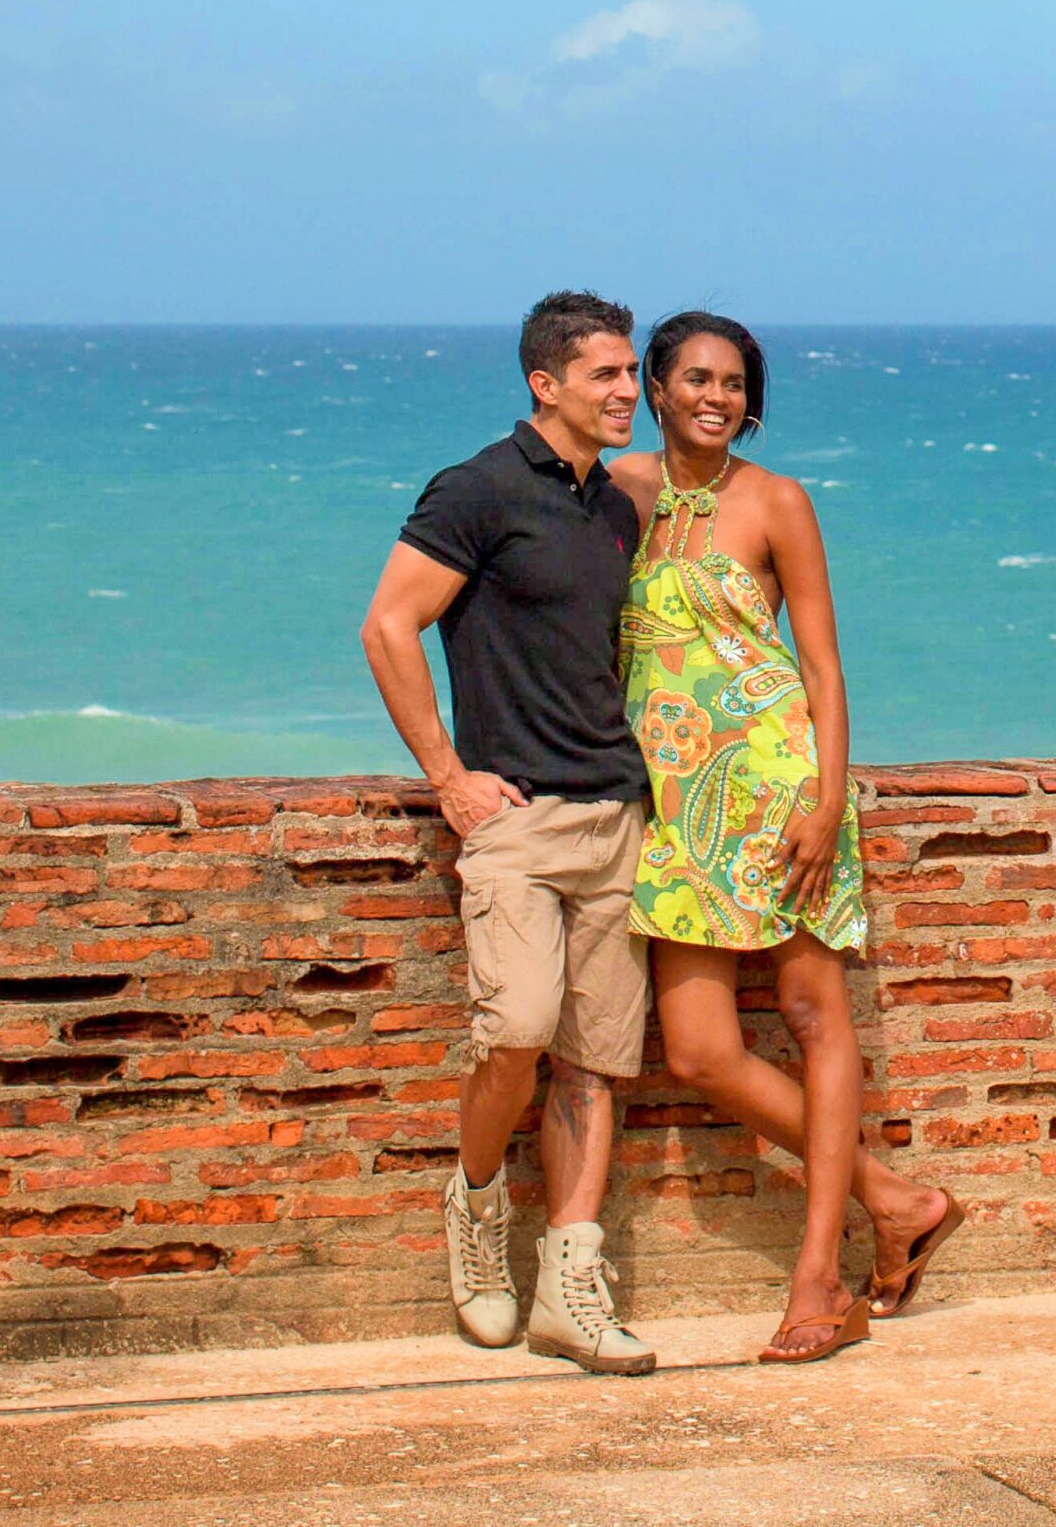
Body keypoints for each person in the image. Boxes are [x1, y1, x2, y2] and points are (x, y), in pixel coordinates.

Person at [608, 309, 959, 1366]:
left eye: (733, 382)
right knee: (700, 1049)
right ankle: (896, 1199)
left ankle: (820, 1277)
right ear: (657, 388)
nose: (715, 396)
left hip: (776, 783)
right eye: (695, 379)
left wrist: (824, 797)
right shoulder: (617, 491)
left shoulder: (776, 500)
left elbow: (821, 666)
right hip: (672, 800)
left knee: (811, 1013)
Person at [360, 290, 657, 1376]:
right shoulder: (477, 489)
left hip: (618, 813)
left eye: (632, 375)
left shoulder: (617, 503)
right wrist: (447, 776)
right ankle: (478, 1210)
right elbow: (390, 624)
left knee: (596, 1060)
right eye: (608, 376)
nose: (630, 392)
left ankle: (568, 1284)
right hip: (515, 820)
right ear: (547, 383)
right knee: (519, 1032)